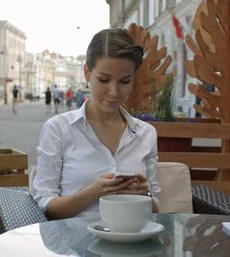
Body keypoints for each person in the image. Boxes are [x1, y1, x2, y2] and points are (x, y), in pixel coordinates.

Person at [33, 28, 160, 220]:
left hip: (133, 242)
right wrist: (91, 193)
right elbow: (44, 205)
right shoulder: (58, 129)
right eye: (104, 80)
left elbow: (158, 209)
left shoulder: (146, 134)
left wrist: (145, 195)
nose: (114, 92)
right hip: (75, 246)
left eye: (125, 81)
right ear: (87, 72)